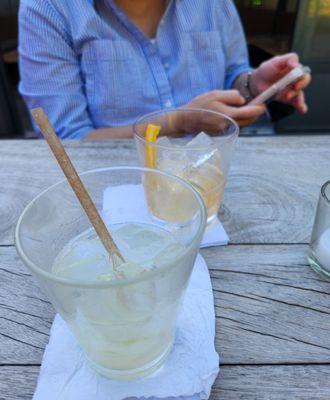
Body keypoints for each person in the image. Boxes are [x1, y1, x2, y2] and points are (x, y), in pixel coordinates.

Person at [19, 0, 310, 139]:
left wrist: (254, 85)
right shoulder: (48, 7)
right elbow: (65, 141)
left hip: (212, 173)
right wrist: (177, 122)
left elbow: (233, 76)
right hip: (112, 191)